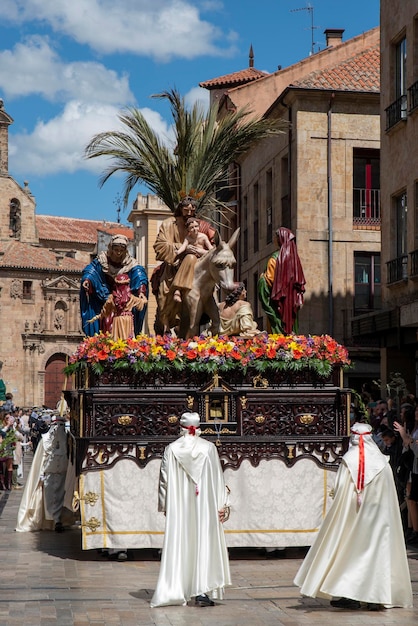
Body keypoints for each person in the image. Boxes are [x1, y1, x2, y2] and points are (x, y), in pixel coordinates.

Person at [294, 422, 412, 610]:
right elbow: (390, 494)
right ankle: (375, 597)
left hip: (355, 518)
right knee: (377, 554)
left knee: (352, 554)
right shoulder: (383, 462)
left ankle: (353, 596)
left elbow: (340, 490)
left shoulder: (349, 460)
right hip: (380, 520)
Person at [150, 411, 231, 608]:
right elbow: (218, 478)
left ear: (181, 427)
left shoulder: (171, 449)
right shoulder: (209, 448)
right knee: (203, 542)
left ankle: (178, 588)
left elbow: (164, 482)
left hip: (180, 505)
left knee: (180, 542)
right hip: (204, 503)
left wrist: (166, 505)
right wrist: (223, 505)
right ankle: (202, 591)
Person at [153, 196, 215, 333]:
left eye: (192, 211)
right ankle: (166, 324)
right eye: (186, 210)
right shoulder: (169, 224)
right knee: (164, 291)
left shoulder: (202, 226)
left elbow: (215, 248)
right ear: (180, 209)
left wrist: (200, 250)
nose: (188, 213)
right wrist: (182, 248)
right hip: (174, 265)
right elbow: (160, 245)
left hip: (198, 266)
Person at [80, 234, 148, 336]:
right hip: (106, 297)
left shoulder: (131, 264)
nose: (118, 253)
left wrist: (141, 291)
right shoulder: (102, 260)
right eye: (116, 249)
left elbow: (140, 276)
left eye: (121, 250)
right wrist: (87, 280)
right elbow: (91, 271)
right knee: (107, 323)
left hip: (124, 305)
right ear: (111, 248)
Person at [16, 413, 69, 532]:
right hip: (48, 474)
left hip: (62, 474)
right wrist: (40, 474)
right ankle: (53, 521)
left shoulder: (67, 439)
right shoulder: (45, 440)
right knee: (49, 499)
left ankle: (58, 520)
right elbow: (40, 459)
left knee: (61, 498)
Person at [258, 227, 305, 334]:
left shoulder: (274, 259)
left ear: (281, 239)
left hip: (278, 303)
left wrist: (262, 278)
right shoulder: (295, 260)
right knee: (292, 328)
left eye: (276, 237)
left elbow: (270, 280)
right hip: (292, 301)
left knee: (277, 330)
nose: (274, 239)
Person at [87, 273, 147, 340]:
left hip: (117, 320)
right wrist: (143, 296)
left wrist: (95, 318)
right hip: (128, 320)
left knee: (117, 341)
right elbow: (142, 303)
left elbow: (105, 311)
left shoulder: (112, 298)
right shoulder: (132, 298)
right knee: (128, 341)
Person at [172, 217, 213, 303]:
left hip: (202, 259)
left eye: (196, 226)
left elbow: (211, 250)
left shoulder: (203, 237)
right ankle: (178, 290)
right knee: (190, 257)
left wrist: (201, 251)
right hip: (190, 259)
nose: (195, 229)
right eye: (192, 227)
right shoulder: (188, 238)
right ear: (188, 229)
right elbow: (183, 247)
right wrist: (177, 252)